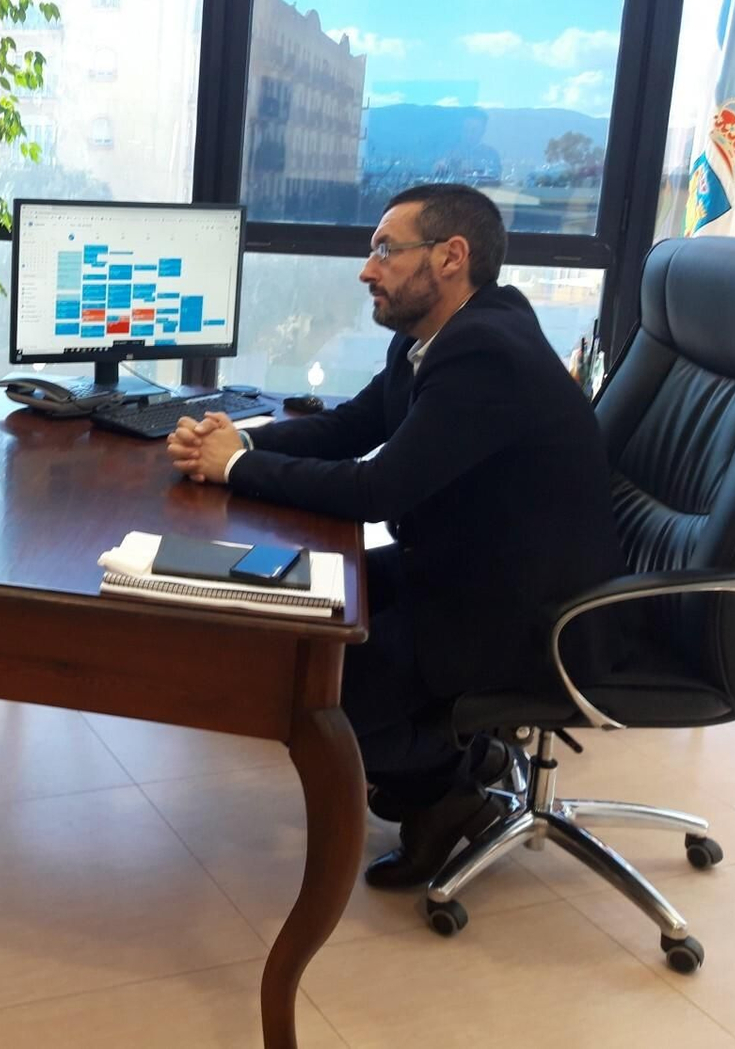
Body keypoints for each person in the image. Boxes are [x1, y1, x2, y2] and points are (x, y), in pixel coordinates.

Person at [167, 183, 624, 888]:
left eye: (385, 249)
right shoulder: (440, 335)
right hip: (462, 568)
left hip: (527, 615)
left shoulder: (483, 353)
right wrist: (239, 443)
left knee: (323, 697)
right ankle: (455, 767)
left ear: (451, 257)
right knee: (294, 618)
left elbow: (378, 489)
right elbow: (353, 427)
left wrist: (238, 467)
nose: (365, 268)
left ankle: (448, 792)